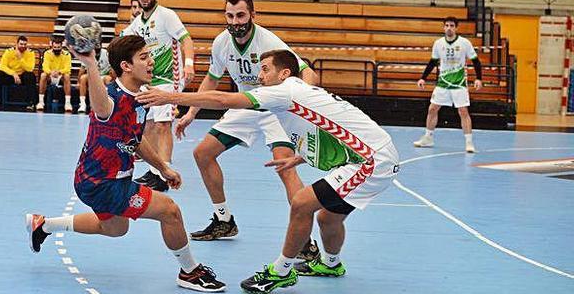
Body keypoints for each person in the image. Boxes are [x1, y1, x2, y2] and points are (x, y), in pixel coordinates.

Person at [136, 49, 400, 292]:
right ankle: (330, 264)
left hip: (371, 162)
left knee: (301, 203)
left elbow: (222, 98)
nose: (259, 76)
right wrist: (299, 159)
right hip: (371, 154)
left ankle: (281, 271)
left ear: (284, 73)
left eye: (265, 70)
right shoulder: (297, 93)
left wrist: (169, 96)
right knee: (327, 218)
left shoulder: (284, 91)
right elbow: (329, 129)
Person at [26, 35, 226, 292]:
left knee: (116, 229)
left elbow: (135, 137)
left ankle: (43, 225)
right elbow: (102, 107)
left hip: (98, 180)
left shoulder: (140, 97)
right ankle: (190, 272)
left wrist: (162, 168)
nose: (151, 62)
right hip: (103, 183)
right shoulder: (112, 98)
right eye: (144, 57)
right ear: (126, 66)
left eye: (149, 55)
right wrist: (90, 65)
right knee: (170, 211)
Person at [175, 0, 320, 262]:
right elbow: (211, 79)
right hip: (245, 105)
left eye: (240, 15)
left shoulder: (269, 42)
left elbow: (306, 70)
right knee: (202, 153)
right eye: (230, 16)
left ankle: (306, 243)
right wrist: (191, 113)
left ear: (253, 15)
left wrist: (308, 103)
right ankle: (224, 220)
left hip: (275, 109)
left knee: (285, 169)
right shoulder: (221, 42)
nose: (235, 21)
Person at [120, 0, 195, 192]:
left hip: (169, 78)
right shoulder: (137, 23)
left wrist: (189, 64)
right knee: (149, 126)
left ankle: (165, 173)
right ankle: (155, 171)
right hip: (148, 81)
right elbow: (123, 40)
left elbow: (186, 40)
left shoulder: (166, 15)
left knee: (163, 125)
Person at [414, 17, 482, 153]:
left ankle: (469, 142)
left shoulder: (464, 43)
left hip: (459, 83)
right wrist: (423, 78)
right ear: (443, 27)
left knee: (463, 111)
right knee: (432, 109)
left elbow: (476, 61)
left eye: (452, 25)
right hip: (443, 83)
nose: (449, 28)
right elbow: (433, 62)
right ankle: (428, 137)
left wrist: (479, 78)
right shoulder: (438, 43)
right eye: (447, 25)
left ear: (456, 28)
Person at [0, 36, 37, 110]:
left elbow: (30, 68)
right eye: (21, 44)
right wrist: (13, 74)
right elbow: (2, 66)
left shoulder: (30, 53)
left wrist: (21, 58)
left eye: (25, 44)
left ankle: (31, 103)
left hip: (23, 76)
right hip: (11, 76)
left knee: (31, 76)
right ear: (16, 44)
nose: (23, 46)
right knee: (0, 74)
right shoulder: (9, 51)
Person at [37, 35, 73, 112]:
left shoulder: (67, 54)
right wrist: (51, 72)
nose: (56, 49)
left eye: (58, 48)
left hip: (61, 76)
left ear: (61, 47)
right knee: (43, 75)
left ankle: (67, 103)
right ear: (52, 46)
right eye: (55, 48)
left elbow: (68, 68)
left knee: (67, 76)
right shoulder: (47, 53)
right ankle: (41, 102)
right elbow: (45, 66)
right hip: (50, 76)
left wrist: (59, 72)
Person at [77, 42, 113, 114]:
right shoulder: (88, 53)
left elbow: (112, 67)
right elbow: (82, 69)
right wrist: (78, 82)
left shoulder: (106, 53)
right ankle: (82, 104)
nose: (96, 47)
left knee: (109, 79)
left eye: (98, 45)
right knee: (83, 78)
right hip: (91, 75)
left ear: (101, 45)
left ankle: (108, 102)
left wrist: (112, 76)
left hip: (103, 75)